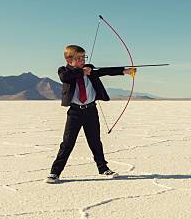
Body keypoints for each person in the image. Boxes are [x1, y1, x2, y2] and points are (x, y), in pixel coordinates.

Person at [45, 45, 135, 184]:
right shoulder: (64, 70)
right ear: (69, 60)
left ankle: (103, 168)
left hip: (90, 111)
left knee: (95, 141)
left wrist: (125, 71)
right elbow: (65, 77)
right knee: (67, 143)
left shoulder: (90, 69)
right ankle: (55, 172)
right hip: (74, 112)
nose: (82, 60)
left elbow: (106, 71)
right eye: (79, 58)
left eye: (83, 57)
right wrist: (81, 72)